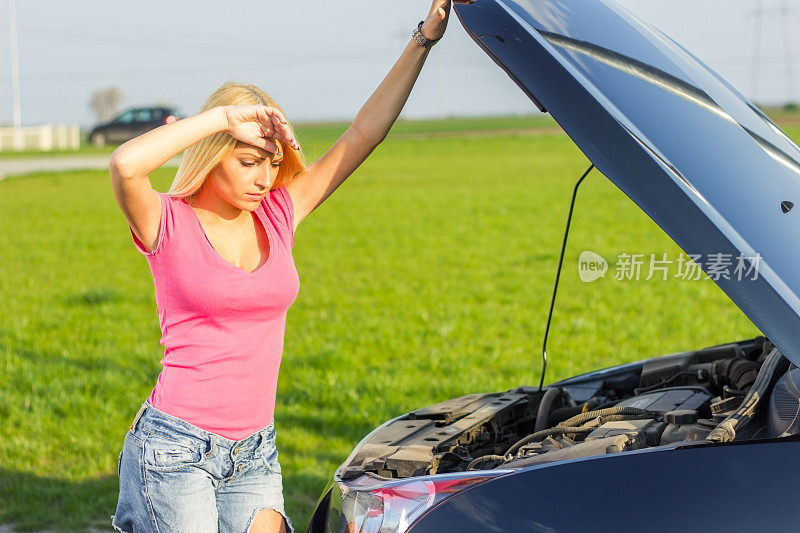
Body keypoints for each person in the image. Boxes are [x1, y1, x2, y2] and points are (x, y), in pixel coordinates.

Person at [109, 1, 467, 532]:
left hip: (255, 451)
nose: (262, 179)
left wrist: (425, 38)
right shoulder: (166, 222)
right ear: (213, 153)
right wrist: (223, 117)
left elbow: (363, 134)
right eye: (247, 161)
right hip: (175, 450)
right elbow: (125, 164)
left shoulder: (278, 215)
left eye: (271, 163)